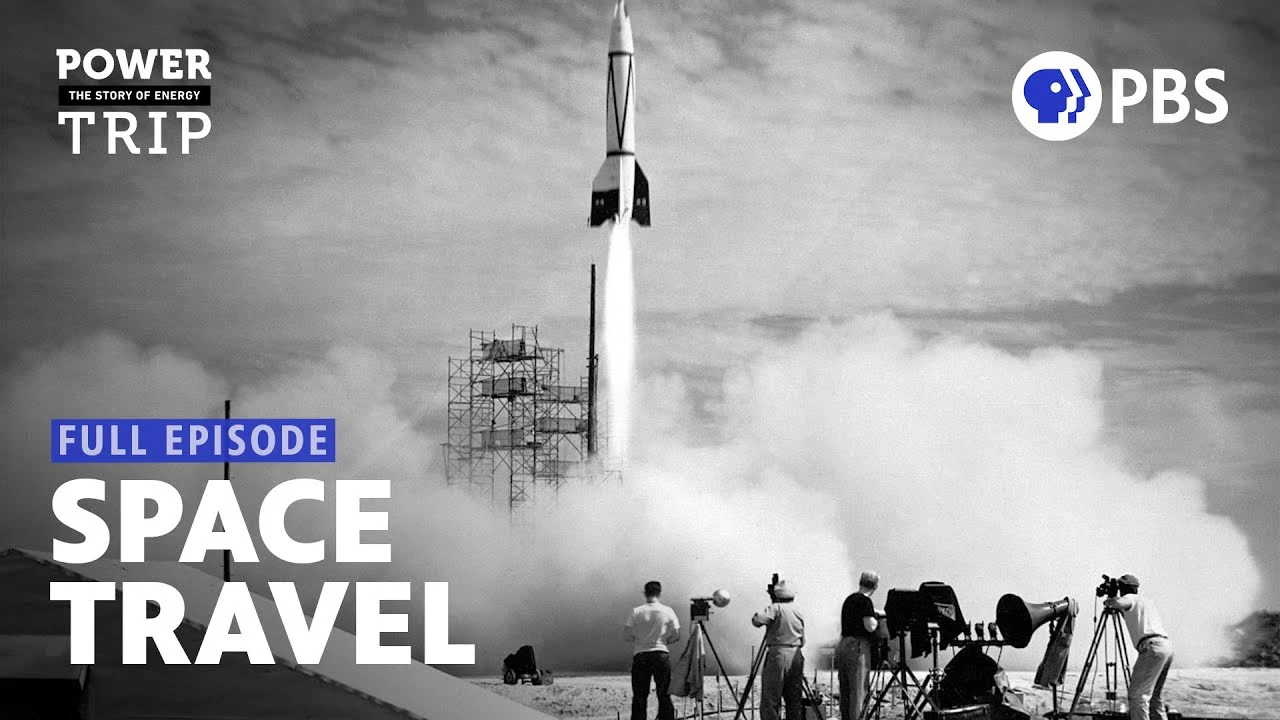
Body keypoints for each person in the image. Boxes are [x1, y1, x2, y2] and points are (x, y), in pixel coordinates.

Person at [1103, 574, 1174, 720]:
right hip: (1165, 646)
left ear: (1123, 589)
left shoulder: (1131, 598)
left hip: (1152, 648)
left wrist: (1110, 599)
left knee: (1137, 696)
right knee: (1154, 697)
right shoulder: (1147, 601)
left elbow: (1117, 603)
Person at [624, 580, 682, 720]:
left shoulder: (636, 611)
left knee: (639, 695)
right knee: (664, 694)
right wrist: (664, 641)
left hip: (641, 655)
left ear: (645, 593)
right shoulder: (667, 611)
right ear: (659, 593)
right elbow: (676, 635)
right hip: (661, 654)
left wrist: (640, 640)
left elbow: (627, 635)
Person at [752, 578, 805, 720]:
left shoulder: (775, 608)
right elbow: (803, 639)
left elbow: (757, 621)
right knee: (794, 698)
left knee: (771, 697)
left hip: (778, 654)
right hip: (796, 653)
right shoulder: (798, 611)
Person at [835, 571, 881, 720]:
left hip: (844, 644)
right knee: (858, 690)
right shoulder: (865, 602)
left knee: (846, 689)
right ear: (875, 587)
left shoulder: (849, 599)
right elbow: (870, 626)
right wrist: (877, 621)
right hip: (858, 646)